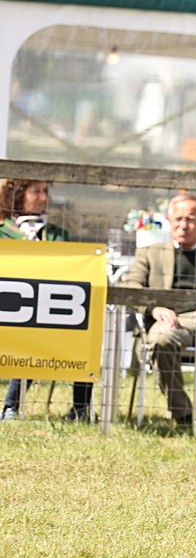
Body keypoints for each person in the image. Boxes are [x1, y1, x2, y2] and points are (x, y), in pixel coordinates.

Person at [118, 193, 196, 428]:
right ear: (169, 221)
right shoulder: (150, 253)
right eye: (178, 219)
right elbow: (130, 286)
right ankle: (182, 414)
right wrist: (153, 307)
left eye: (191, 219)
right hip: (170, 320)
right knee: (159, 339)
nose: (184, 225)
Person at [1, 178, 93, 421]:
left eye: (45, 192)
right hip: (9, 306)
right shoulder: (3, 231)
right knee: (30, 333)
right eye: (35, 192)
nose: (42, 197)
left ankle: (80, 409)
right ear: (18, 195)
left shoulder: (56, 233)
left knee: (80, 334)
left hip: (46, 309)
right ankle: (11, 406)